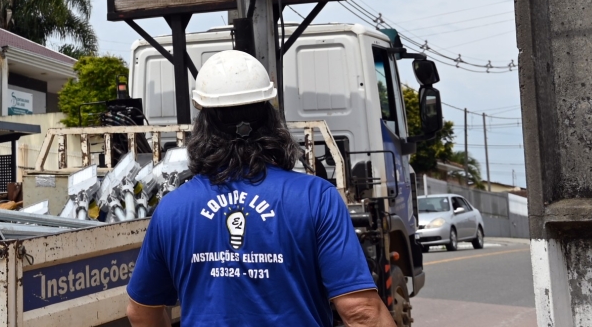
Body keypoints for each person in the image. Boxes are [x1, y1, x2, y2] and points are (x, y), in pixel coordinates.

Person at [125, 50, 395, 327]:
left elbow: (141, 312)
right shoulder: (317, 198)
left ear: (202, 124)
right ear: (271, 118)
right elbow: (362, 313)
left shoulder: (173, 208)